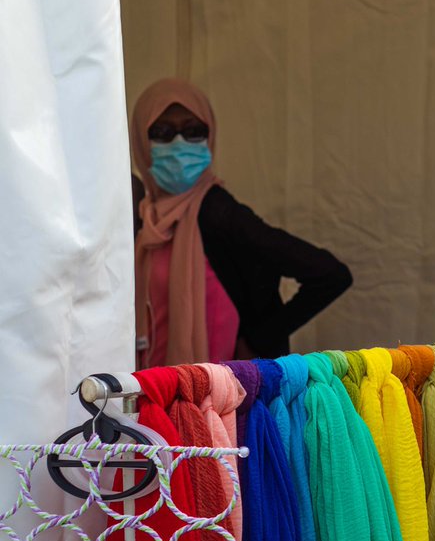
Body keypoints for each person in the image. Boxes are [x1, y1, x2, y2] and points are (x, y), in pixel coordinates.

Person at [132, 78, 352, 367]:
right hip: (153, 393)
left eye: (193, 131)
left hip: (223, 399)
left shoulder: (217, 212)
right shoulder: (144, 218)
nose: (179, 143)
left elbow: (330, 274)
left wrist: (257, 340)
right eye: (162, 132)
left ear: (210, 136)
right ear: (140, 140)